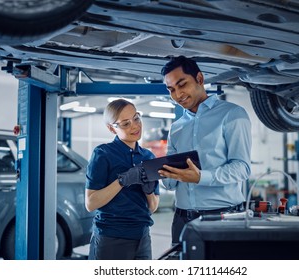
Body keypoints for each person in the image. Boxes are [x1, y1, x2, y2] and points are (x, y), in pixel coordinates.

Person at [159, 56, 252, 245]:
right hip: (182, 220)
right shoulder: (176, 127)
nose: (178, 94)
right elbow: (171, 183)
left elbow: (242, 167)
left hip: (222, 218)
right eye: (171, 90)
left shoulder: (232, 114)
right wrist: (158, 176)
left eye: (182, 84)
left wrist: (201, 177)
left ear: (199, 79)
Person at [84, 99, 159, 260]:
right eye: (125, 123)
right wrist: (122, 181)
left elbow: (152, 207)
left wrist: (148, 191)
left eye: (136, 118)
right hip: (111, 238)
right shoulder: (103, 154)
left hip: (143, 237)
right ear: (112, 128)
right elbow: (91, 203)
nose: (135, 126)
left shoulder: (149, 157)